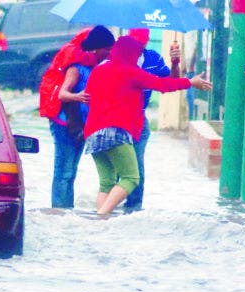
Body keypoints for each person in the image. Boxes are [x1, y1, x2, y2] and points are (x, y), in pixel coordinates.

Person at [83, 35, 212, 215]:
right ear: (131, 54)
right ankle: (101, 215)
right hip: (116, 131)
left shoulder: (99, 70)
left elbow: (88, 97)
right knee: (131, 178)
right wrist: (190, 82)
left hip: (92, 133)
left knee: (106, 183)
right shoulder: (132, 72)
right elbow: (162, 84)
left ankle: (101, 224)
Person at [49, 25, 115, 208]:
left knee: (71, 171)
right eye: (107, 49)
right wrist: (77, 97)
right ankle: (60, 212)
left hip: (80, 126)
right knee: (64, 171)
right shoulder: (76, 67)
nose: (109, 53)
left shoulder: (95, 67)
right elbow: (62, 94)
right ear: (96, 48)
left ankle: (64, 213)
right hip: (64, 125)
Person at [121, 28, 181, 214]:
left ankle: (133, 208)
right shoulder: (117, 58)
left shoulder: (152, 59)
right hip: (117, 118)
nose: (138, 46)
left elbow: (172, 81)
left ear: (146, 42)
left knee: (136, 164)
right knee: (118, 165)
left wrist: (175, 62)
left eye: (141, 42)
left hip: (139, 120)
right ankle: (109, 207)